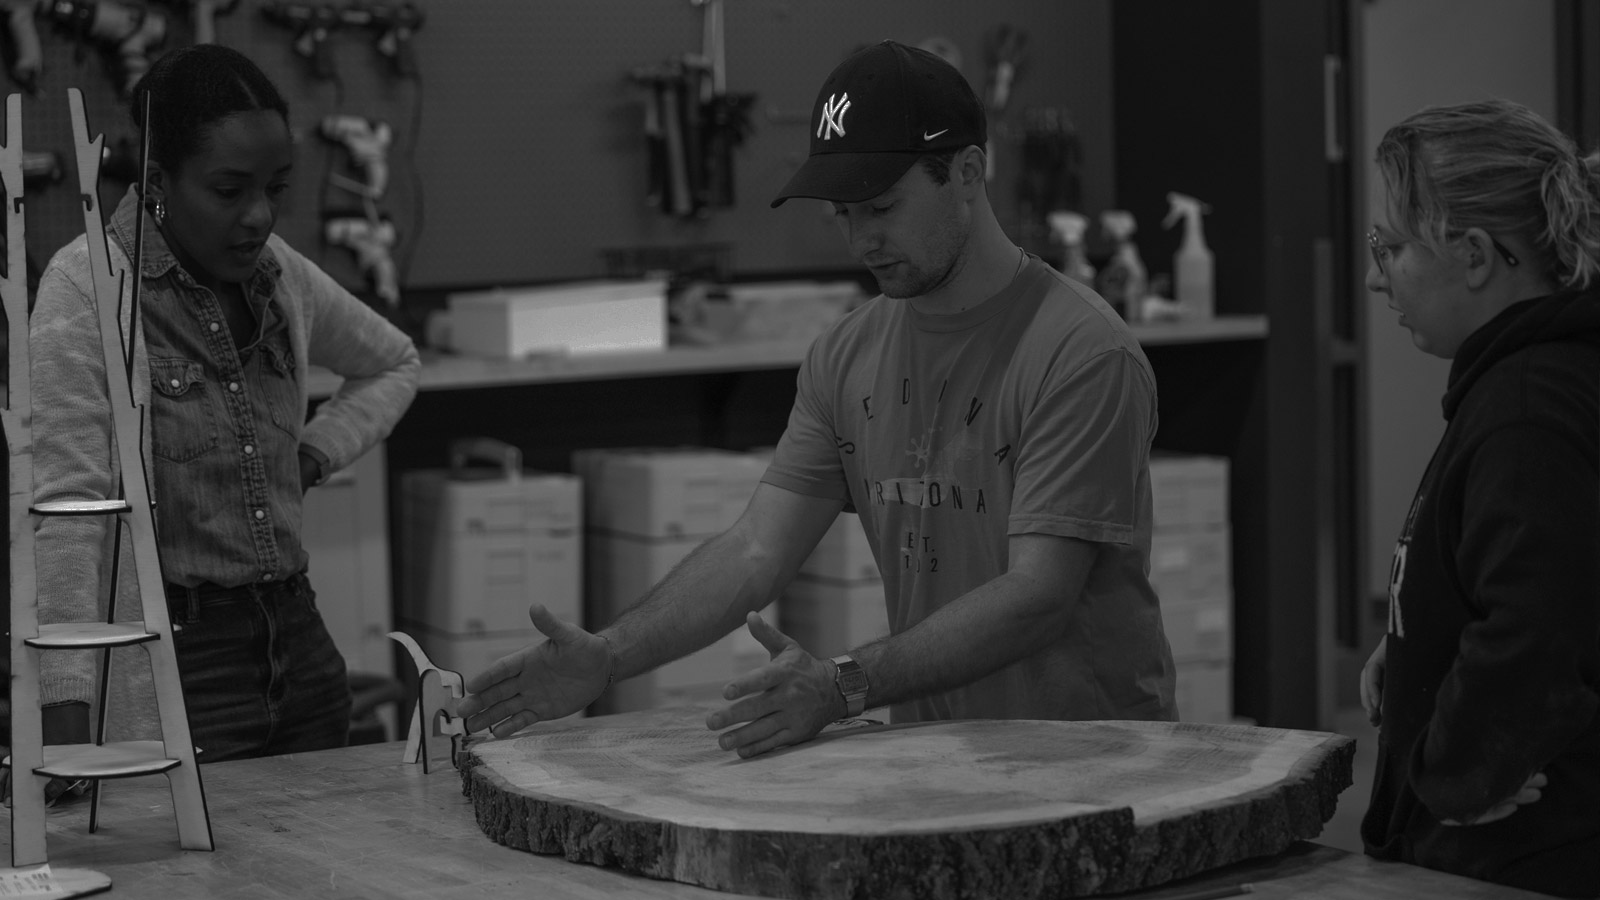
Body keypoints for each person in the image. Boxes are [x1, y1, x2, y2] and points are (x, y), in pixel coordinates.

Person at [458, 40, 1174, 757]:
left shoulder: (1082, 352)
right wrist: (610, 655)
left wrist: (843, 686)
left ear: (967, 172)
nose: (862, 239)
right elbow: (754, 548)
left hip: (1094, 764)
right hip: (941, 763)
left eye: (883, 207)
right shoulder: (846, 354)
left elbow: (1039, 596)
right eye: (843, 213)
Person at [29, 44, 421, 763]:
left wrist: (312, 453)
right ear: (157, 182)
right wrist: (64, 711)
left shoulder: (282, 280)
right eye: (230, 189)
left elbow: (394, 362)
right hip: (177, 665)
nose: (260, 216)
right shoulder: (88, 288)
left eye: (276, 186)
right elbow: (70, 515)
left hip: (296, 643)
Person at [1359, 98, 1600, 898]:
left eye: (1390, 248)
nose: (1373, 276)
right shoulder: (1524, 383)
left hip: (1521, 861)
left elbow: (1538, 620)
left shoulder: (1530, 406)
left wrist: (1459, 770)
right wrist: (1413, 641)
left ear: (1472, 255)